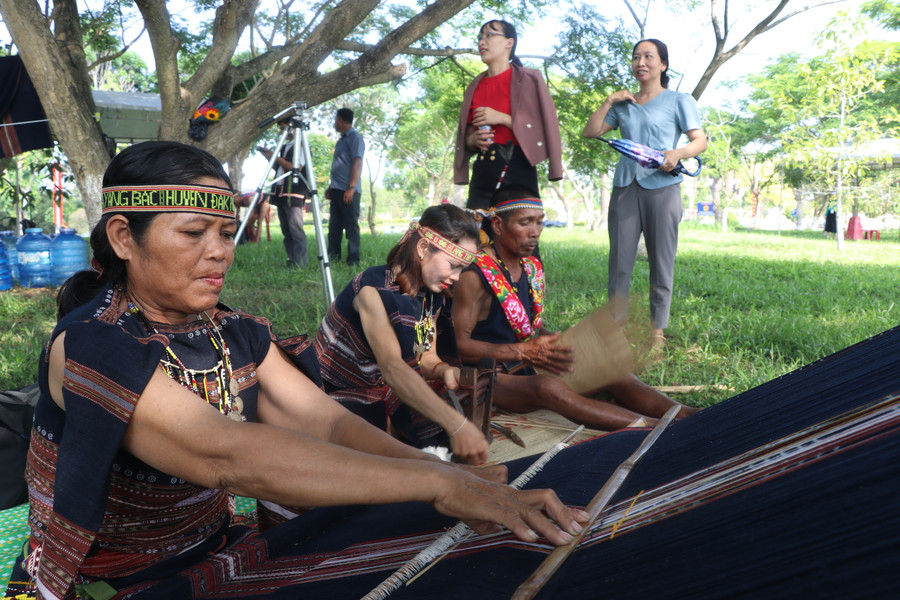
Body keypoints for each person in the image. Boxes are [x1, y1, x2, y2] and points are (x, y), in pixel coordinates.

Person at [3, 141, 586, 600]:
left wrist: (456, 479)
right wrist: (440, 481)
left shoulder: (236, 333)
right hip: (118, 585)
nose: (220, 252)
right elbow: (226, 455)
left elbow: (328, 425)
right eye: (192, 233)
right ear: (124, 237)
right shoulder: (91, 344)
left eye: (227, 233)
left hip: (215, 554)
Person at [452, 187, 699, 431]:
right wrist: (521, 352)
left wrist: (557, 342)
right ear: (497, 225)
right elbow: (458, 346)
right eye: (525, 223)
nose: (534, 232)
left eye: (539, 223)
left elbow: (525, 327)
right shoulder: (475, 275)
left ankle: (690, 415)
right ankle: (663, 428)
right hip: (488, 376)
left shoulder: (530, 268)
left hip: (524, 364)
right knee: (547, 387)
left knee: (610, 370)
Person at [315, 205, 491, 465]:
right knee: (411, 464)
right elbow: (394, 369)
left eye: (461, 270)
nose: (456, 278)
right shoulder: (373, 290)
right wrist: (456, 425)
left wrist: (443, 370)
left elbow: (425, 356)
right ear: (422, 249)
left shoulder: (432, 298)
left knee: (439, 444)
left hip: (384, 391)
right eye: (453, 266)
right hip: (338, 395)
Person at [583, 38, 707, 349]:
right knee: (620, 263)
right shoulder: (624, 104)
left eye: (649, 56)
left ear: (663, 64)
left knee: (661, 262)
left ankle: (656, 335)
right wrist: (610, 100)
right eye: (636, 57)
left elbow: (699, 141)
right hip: (626, 187)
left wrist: (677, 154)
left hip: (663, 188)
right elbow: (592, 131)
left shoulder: (680, 100)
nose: (641, 62)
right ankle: (615, 332)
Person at [454, 19, 563, 211]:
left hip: (518, 165)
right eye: (479, 37)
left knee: (522, 234)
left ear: (509, 42)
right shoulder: (475, 86)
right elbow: (467, 137)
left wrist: (502, 118)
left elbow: (546, 128)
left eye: (489, 35)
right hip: (484, 168)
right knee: (477, 233)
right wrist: (474, 139)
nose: (481, 42)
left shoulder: (530, 79)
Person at [259, 119, 308, 267]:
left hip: (293, 193)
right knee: (286, 230)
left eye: (284, 128)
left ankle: (300, 262)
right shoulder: (285, 147)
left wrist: (276, 157)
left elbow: (295, 168)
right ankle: (292, 260)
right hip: (280, 193)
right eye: (281, 129)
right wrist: (270, 158)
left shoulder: (301, 146)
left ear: (293, 128)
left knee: (295, 229)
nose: (282, 132)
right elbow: (280, 169)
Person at [326, 107, 365, 266]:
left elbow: (357, 162)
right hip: (336, 190)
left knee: (351, 227)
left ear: (341, 120)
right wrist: (331, 186)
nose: (335, 123)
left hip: (349, 191)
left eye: (336, 119)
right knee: (334, 227)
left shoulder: (355, 138)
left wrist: (351, 187)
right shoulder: (341, 140)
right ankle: (333, 257)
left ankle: (353, 260)